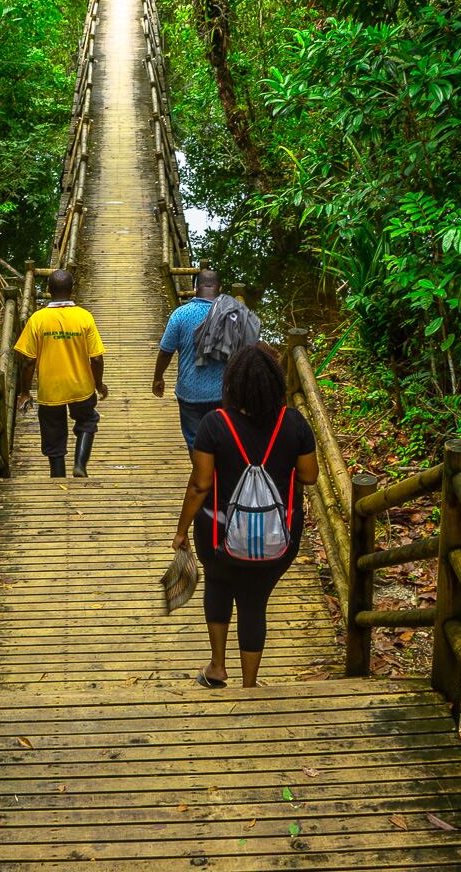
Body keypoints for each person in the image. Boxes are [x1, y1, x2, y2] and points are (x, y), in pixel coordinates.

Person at [171, 343, 319, 688]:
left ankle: (217, 668)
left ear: (231, 382)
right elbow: (309, 475)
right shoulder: (293, 422)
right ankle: (250, 684)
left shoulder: (214, 424)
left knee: (219, 586)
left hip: (216, 534)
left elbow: (200, 484)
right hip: (276, 538)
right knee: (254, 601)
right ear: (276, 383)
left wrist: (181, 531)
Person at [13, 268, 108, 478]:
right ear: (72, 289)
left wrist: (25, 392)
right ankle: (80, 465)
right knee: (87, 420)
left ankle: (57, 476)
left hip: (50, 390)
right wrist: (98, 384)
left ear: (48, 290)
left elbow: (28, 361)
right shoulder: (84, 317)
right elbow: (97, 358)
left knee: (52, 433)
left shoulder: (38, 319)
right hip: (81, 387)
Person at [152, 268, 238, 450]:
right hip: (222, 393)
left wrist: (158, 377)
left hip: (190, 393)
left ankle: (201, 475)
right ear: (219, 288)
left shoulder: (181, 315)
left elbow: (166, 351)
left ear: (195, 287)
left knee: (195, 441)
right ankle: (218, 475)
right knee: (223, 438)